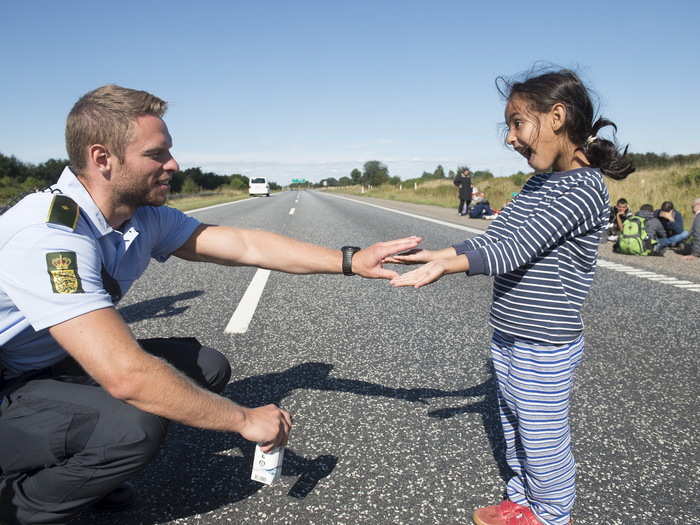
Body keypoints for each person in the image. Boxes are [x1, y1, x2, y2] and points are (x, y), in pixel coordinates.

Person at [0, 85, 421, 525]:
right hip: (9, 380)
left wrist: (351, 261)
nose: (174, 165)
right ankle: (20, 506)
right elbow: (124, 375)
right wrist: (243, 420)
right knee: (130, 427)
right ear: (103, 158)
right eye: (157, 154)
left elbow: (241, 243)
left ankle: (83, 468)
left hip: (48, 364)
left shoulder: (139, 216)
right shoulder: (49, 236)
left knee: (204, 367)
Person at [386, 69, 634, 525]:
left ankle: (553, 514)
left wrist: (445, 266)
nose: (510, 139)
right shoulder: (539, 184)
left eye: (517, 123)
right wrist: (436, 252)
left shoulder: (583, 189)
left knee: (542, 437)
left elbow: (514, 250)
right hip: (510, 331)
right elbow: (495, 235)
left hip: (545, 340)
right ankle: (523, 501)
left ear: (556, 117)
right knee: (513, 425)